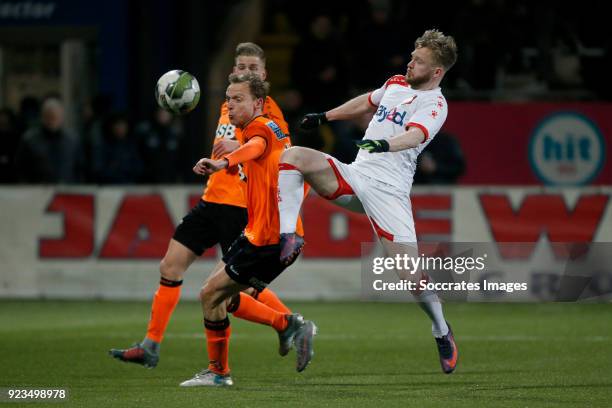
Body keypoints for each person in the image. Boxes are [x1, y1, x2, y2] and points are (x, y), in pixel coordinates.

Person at [110, 43, 303, 370]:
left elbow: (276, 147)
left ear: (264, 75)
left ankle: (287, 323)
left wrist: (236, 149)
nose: (245, 72)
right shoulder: (231, 103)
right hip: (212, 199)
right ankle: (151, 345)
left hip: (241, 207)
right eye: (240, 66)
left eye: (252, 68)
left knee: (229, 292)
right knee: (170, 267)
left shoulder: (267, 110)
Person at [277, 29, 459, 374]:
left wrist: (386, 145)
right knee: (293, 157)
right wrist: (325, 116)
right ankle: (289, 235)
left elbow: (416, 135)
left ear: (436, 72)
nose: (410, 62)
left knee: (411, 277)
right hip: (356, 176)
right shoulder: (395, 83)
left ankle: (441, 329)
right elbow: (366, 101)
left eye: (419, 61)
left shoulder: (436, 104)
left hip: (390, 192)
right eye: (412, 55)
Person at [179, 72, 316, 387]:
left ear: (259, 103)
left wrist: (224, 162)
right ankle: (285, 325)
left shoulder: (257, 129)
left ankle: (222, 371)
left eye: (238, 99)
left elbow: (254, 146)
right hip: (260, 234)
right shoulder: (274, 127)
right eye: (228, 99)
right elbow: (256, 147)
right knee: (220, 297)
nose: (231, 105)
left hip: (270, 241)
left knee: (211, 295)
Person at [15, 97, 83, 184]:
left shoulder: (73, 139)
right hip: (36, 190)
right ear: (43, 116)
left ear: (62, 117)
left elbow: (80, 168)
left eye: (55, 117)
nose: (52, 121)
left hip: (67, 189)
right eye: (49, 117)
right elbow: (20, 168)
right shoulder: (29, 139)